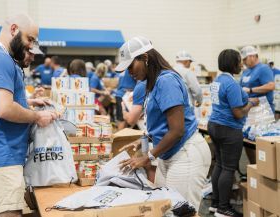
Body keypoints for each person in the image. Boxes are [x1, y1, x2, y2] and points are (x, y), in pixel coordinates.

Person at [0, 14, 58, 217]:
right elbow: (4, 108)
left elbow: (3, 101)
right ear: (14, 29)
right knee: (9, 212)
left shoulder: (4, 59)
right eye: (30, 39)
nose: (30, 46)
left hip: (4, 152)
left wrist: (30, 103)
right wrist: (36, 117)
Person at [118, 36, 211, 210]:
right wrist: (142, 141)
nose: (129, 72)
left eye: (131, 65)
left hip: (185, 153)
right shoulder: (151, 83)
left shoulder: (166, 80)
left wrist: (148, 156)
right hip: (167, 154)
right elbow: (160, 123)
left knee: (181, 211)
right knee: (163, 209)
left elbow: (177, 130)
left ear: (145, 58)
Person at [208, 49, 259, 217]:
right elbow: (238, 113)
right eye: (239, 61)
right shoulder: (231, 84)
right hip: (228, 128)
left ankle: (215, 204)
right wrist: (251, 103)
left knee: (220, 165)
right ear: (232, 63)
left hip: (214, 125)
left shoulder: (218, 80)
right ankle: (224, 208)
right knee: (229, 168)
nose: (241, 64)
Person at [240, 46, 275, 112]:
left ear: (252, 57)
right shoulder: (246, 71)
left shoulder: (263, 68)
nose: (243, 62)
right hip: (250, 107)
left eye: (245, 59)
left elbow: (271, 86)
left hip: (263, 110)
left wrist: (250, 90)